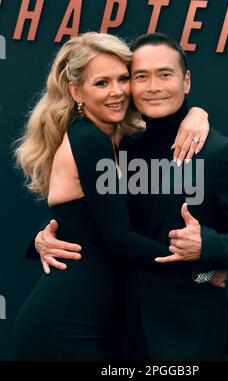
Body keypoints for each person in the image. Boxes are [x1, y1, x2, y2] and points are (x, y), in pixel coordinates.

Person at [35, 33, 228, 361]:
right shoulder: (123, 146)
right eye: (140, 76)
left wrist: (208, 249)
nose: (153, 86)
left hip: (186, 339)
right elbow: (98, 216)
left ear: (186, 81)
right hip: (116, 335)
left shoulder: (220, 154)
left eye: (165, 74)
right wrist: (43, 237)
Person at [12, 32, 214, 361]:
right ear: (76, 91)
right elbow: (119, 238)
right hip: (67, 329)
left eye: (123, 79)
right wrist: (201, 270)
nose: (117, 91)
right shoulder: (90, 139)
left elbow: (82, 223)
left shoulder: (111, 137)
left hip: (95, 323)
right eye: (102, 83)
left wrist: (198, 113)